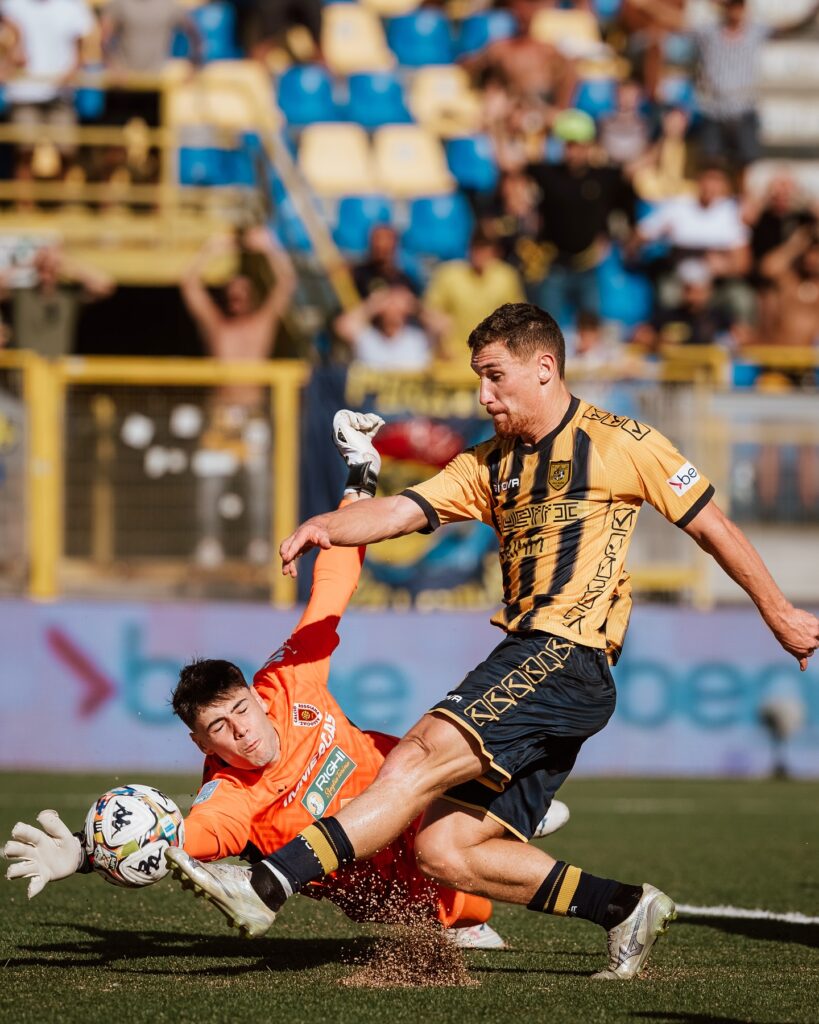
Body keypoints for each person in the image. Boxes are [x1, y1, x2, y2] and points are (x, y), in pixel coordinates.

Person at [161, 302, 819, 979]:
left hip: (560, 652)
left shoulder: (621, 441)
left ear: (544, 368)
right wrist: (328, 525)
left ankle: (267, 883)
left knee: (415, 756)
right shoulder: (488, 464)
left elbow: (711, 525)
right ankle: (625, 907)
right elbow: (402, 510)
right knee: (444, 851)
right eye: (479, 377)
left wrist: (779, 613)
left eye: (494, 376)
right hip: (552, 671)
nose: (483, 394)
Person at [2, 410, 569, 947]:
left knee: (435, 751)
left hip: (424, 794)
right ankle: (487, 848)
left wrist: (360, 480)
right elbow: (182, 841)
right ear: (202, 746)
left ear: (255, 695)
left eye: (240, 710)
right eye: (219, 729)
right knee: (467, 902)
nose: (241, 731)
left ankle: (487, 803)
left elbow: (332, 587)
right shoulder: (229, 798)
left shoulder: (289, 680)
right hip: (402, 890)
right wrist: (85, 853)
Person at [180, 225, 296, 568]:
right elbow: (189, 283)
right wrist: (212, 249)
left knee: (258, 487)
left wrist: (269, 248)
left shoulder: (261, 324)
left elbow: (286, 282)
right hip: (221, 416)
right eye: (231, 293)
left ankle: (260, 543)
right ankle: (209, 543)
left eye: (242, 293)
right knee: (210, 485)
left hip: (252, 415)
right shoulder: (217, 326)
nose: (236, 298)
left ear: (251, 297)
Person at [2, 0, 94, 182]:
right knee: (24, 152)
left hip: (61, 94)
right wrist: (10, 55)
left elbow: (83, 48)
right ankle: (25, 199)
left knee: (66, 152)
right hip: (24, 93)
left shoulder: (72, 7)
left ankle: (57, 198)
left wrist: (72, 72)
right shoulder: (11, 4)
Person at [424, 230, 525, 363]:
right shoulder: (448, 274)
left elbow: (519, 318)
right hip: (451, 359)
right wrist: (437, 325)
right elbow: (428, 311)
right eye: (476, 246)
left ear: (494, 250)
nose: (479, 253)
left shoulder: (506, 276)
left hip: (493, 358)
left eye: (485, 247)